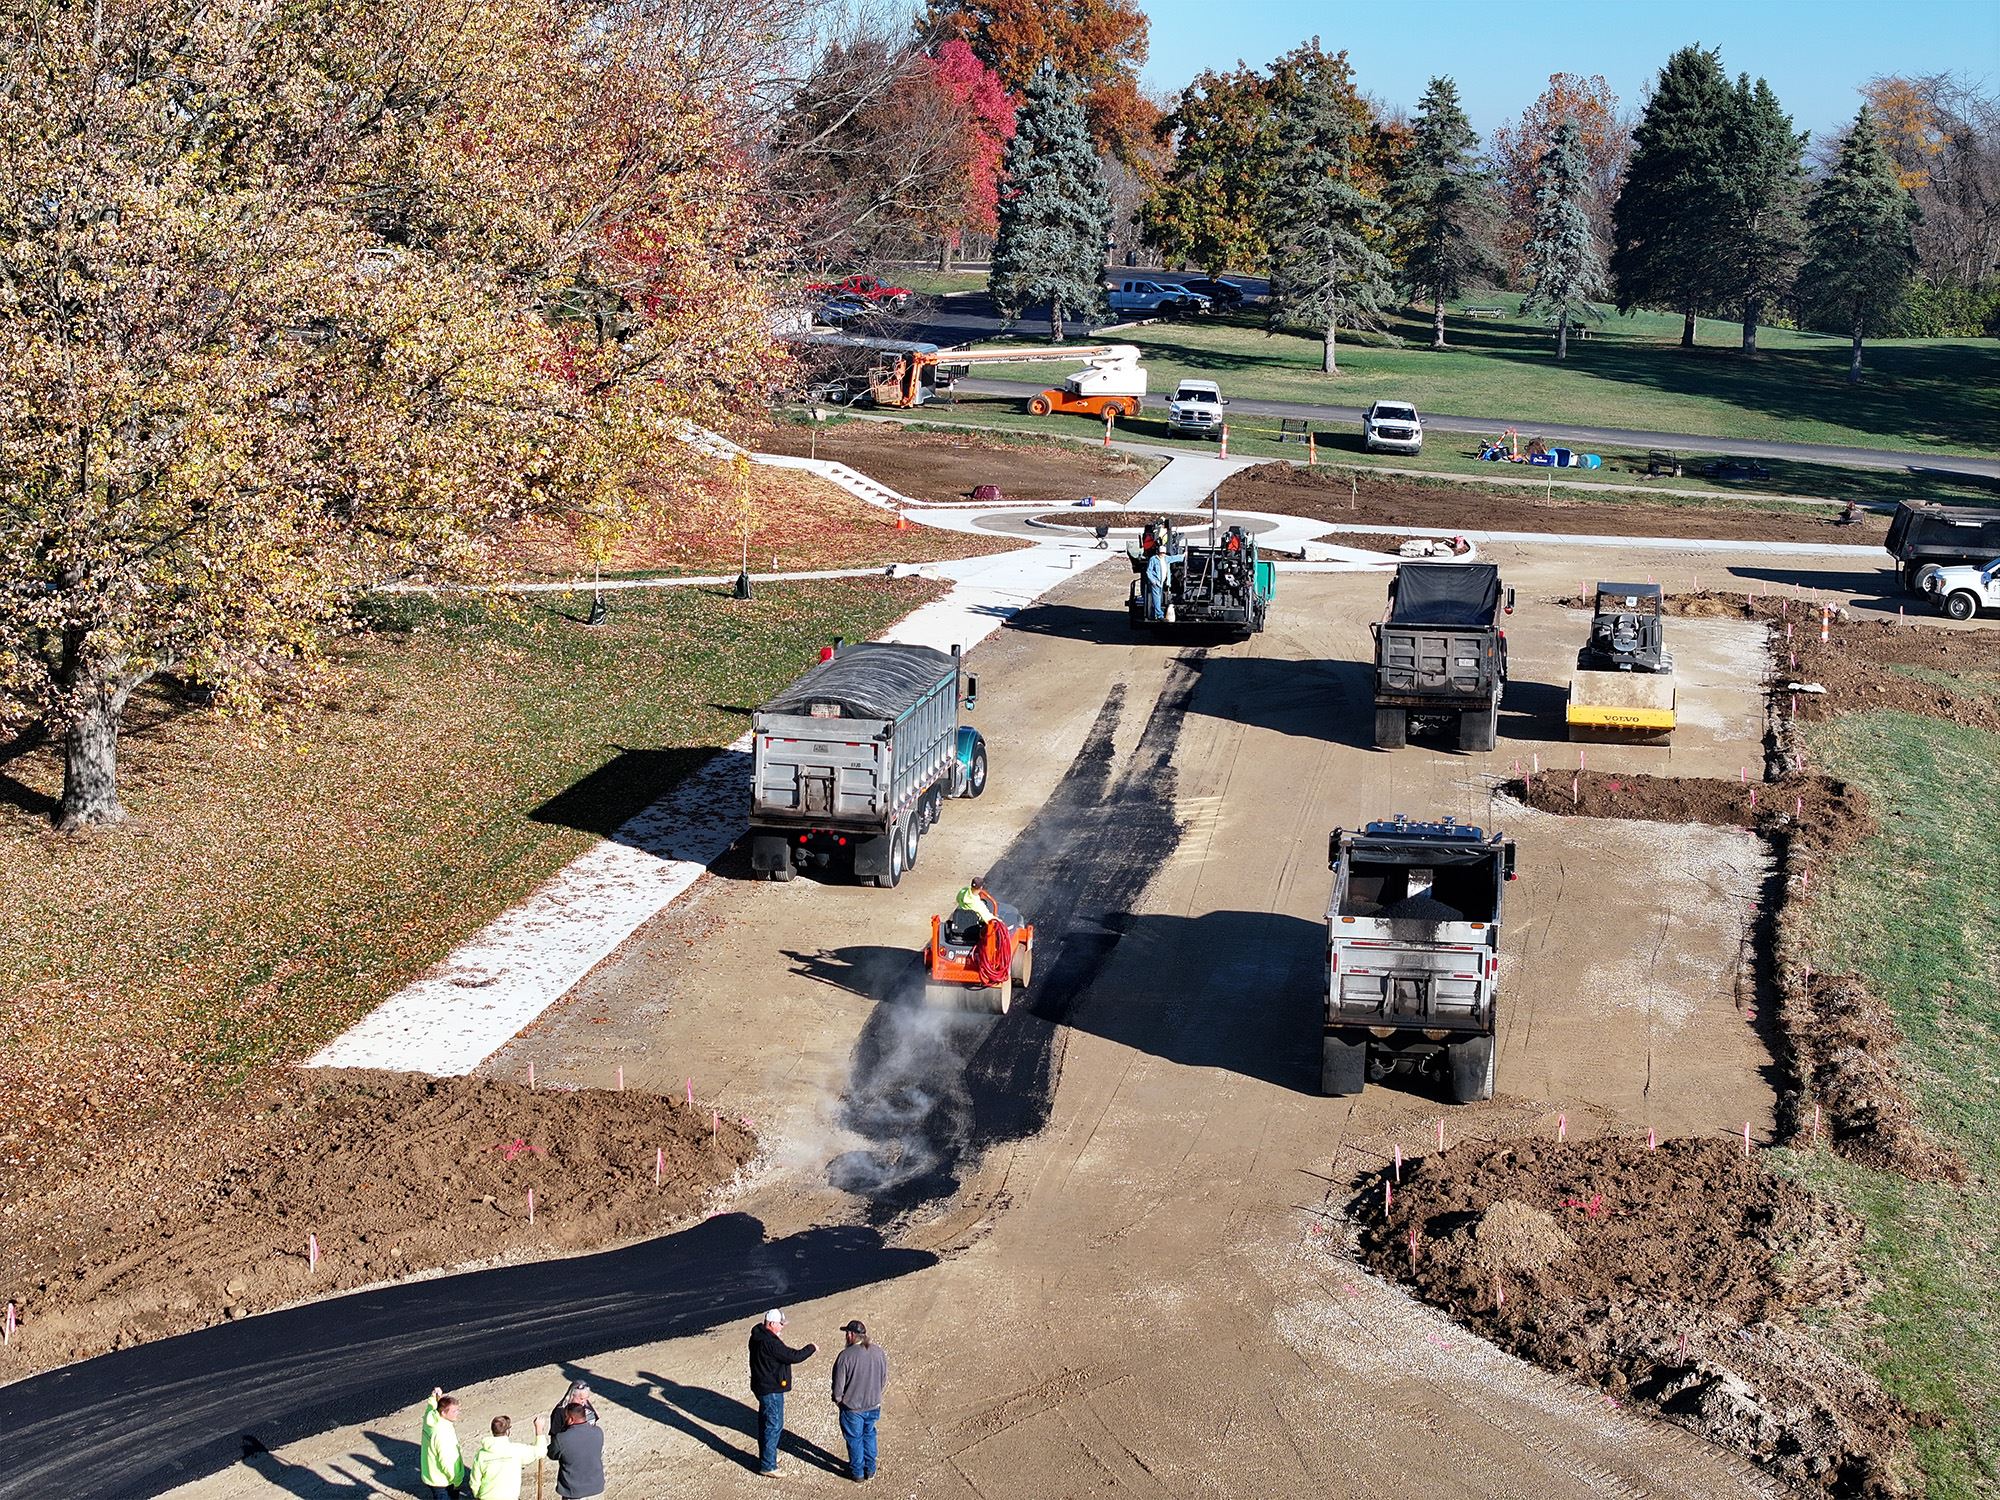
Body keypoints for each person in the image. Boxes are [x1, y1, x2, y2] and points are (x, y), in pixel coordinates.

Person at [749, 1308, 817, 1476]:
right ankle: (768, 1465)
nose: (782, 1327)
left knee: (765, 1423)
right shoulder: (771, 1342)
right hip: (771, 1389)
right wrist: (811, 1348)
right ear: (771, 1324)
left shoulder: (757, 1336)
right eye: (780, 1324)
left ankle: (767, 1457)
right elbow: (793, 1356)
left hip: (761, 1386)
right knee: (774, 1425)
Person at [830, 1319, 889, 1483]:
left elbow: (838, 1386)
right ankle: (870, 1469)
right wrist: (876, 1395)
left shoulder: (845, 1356)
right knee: (869, 1435)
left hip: (852, 1408)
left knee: (854, 1439)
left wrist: (838, 1400)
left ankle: (857, 1472)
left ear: (851, 1335)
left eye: (846, 1333)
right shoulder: (878, 1352)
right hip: (873, 1405)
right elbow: (884, 1379)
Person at [466, 1415, 547, 1500]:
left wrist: (477, 1494)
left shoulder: (481, 1454)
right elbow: (541, 1451)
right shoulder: (516, 1450)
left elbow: (475, 1480)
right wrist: (539, 1429)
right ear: (507, 1431)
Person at [547, 1402, 606, 1500]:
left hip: (574, 1492)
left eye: (565, 1417)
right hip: (596, 1489)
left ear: (571, 1419)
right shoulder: (598, 1432)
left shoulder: (562, 1438)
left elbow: (552, 1454)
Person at [419, 1387, 469, 1500]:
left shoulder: (430, 1417)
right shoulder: (442, 1434)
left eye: (458, 1410)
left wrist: (434, 1397)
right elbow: (446, 1461)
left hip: (431, 1474)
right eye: (454, 1411)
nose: (457, 1413)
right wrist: (457, 1481)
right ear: (443, 1413)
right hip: (443, 1480)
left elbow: (431, 1407)